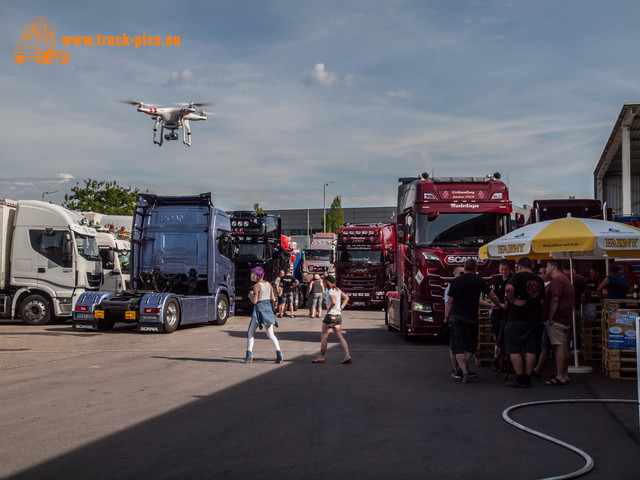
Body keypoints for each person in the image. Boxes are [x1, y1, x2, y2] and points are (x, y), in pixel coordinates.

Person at [445, 259, 501, 384]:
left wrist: (446, 317)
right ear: (475, 268)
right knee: (471, 344)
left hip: (456, 316)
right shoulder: (479, 281)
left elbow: (449, 302)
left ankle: (463, 370)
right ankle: (464, 369)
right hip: (471, 317)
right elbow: (492, 295)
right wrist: (498, 305)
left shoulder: (455, 282)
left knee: (458, 346)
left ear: (464, 268)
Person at [504, 257, 545, 388]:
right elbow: (542, 300)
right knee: (530, 349)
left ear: (520, 266)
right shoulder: (539, 279)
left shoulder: (517, 277)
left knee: (514, 348)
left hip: (517, 318)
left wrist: (512, 301)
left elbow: (508, 288)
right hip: (534, 318)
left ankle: (520, 377)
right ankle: (527, 378)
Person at [241, 266, 283, 364]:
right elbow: (272, 298)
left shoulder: (256, 286)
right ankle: (279, 353)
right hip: (268, 310)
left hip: (259, 311)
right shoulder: (269, 284)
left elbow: (255, 301)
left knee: (251, 333)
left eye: (253, 274)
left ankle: (249, 355)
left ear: (256, 276)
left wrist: (250, 296)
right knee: (271, 334)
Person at [544, 260, 575, 385]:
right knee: (564, 346)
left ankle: (560, 376)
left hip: (558, 319)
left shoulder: (557, 280)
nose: (546, 269)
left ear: (553, 267)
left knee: (559, 346)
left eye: (547, 267)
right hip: (565, 318)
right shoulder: (565, 279)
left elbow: (555, 299)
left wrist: (550, 317)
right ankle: (564, 374)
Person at [312, 275, 352, 364]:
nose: (323, 282)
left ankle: (321, 357)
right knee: (340, 337)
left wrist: (328, 310)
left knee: (324, 337)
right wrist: (341, 308)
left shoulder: (330, 291)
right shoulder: (338, 290)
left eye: (324, 281)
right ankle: (347, 356)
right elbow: (346, 298)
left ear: (328, 282)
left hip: (330, 316)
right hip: (338, 316)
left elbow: (333, 302)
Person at [484, 261, 511, 372]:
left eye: (505, 269)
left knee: (502, 337)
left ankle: (496, 359)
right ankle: (502, 361)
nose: (504, 272)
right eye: (502, 270)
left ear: (510, 269)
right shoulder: (498, 280)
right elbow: (493, 294)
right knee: (499, 337)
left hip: (506, 314)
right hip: (496, 313)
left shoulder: (513, 280)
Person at [444, 266, 464, 379]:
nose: (462, 275)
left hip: (459, 318)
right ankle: (455, 368)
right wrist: (446, 318)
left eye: (463, 273)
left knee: (460, 345)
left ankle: (461, 368)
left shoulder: (460, 285)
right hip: (454, 319)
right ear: (454, 274)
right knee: (454, 346)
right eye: (460, 273)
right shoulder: (451, 287)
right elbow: (448, 303)